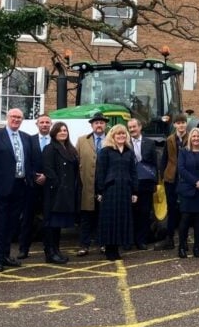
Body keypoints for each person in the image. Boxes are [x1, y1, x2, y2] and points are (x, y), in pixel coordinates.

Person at [0, 108, 36, 272]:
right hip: (0, 187)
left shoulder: (26, 138)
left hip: (21, 186)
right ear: (7, 118)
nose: (16, 119)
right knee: (0, 223)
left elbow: (30, 161)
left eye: (19, 117)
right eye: (13, 116)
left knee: (13, 223)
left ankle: (6, 255)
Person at [95, 124, 138, 261]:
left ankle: (117, 249)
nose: (121, 136)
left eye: (123, 134)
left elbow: (133, 172)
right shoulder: (106, 151)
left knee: (121, 219)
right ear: (112, 136)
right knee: (110, 220)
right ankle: (109, 249)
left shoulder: (129, 152)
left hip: (125, 189)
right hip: (110, 189)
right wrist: (100, 191)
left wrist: (134, 191)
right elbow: (100, 172)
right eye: (118, 134)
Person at [42, 122, 80, 264]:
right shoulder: (50, 148)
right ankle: (50, 253)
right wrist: (57, 184)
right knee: (51, 224)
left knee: (57, 225)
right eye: (60, 130)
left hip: (67, 192)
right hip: (55, 193)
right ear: (54, 133)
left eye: (65, 130)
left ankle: (56, 250)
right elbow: (48, 169)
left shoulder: (70, 149)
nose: (63, 132)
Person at [17, 114, 51, 259]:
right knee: (27, 219)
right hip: (31, 185)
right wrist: (34, 176)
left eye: (47, 122)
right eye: (41, 122)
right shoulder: (30, 140)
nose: (44, 125)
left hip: (49, 186)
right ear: (37, 124)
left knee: (49, 219)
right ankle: (23, 249)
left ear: (51, 125)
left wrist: (47, 176)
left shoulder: (55, 141)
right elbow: (25, 160)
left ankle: (49, 249)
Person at [176, 128, 199, 258]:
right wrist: (195, 182)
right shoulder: (183, 152)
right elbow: (181, 169)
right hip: (188, 190)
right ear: (190, 138)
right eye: (194, 136)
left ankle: (197, 246)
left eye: (198, 136)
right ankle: (181, 246)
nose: (196, 138)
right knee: (185, 220)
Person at [76, 112, 108, 256]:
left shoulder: (111, 139)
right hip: (87, 184)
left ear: (105, 124)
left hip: (106, 184)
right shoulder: (82, 140)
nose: (99, 125)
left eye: (101, 122)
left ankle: (104, 244)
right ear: (92, 125)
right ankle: (84, 245)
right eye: (96, 123)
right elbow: (76, 162)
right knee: (86, 216)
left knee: (104, 216)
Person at [155, 113, 188, 250]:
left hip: (186, 179)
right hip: (171, 178)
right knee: (171, 209)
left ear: (186, 124)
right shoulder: (169, 139)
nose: (180, 125)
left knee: (185, 210)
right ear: (174, 125)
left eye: (183, 123)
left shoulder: (192, 138)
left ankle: (183, 240)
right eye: (178, 123)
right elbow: (165, 159)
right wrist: (162, 177)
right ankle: (169, 239)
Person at [128, 118, 158, 250]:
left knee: (145, 213)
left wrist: (155, 183)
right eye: (130, 127)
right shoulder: (125, 142)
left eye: (134, 127)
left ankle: (141, 240)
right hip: (130, 183)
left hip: (146, 183)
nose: (132, 129)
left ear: (140, 127)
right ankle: (129, 240)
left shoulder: (150, 143)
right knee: (131, 212)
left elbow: (154, 164)